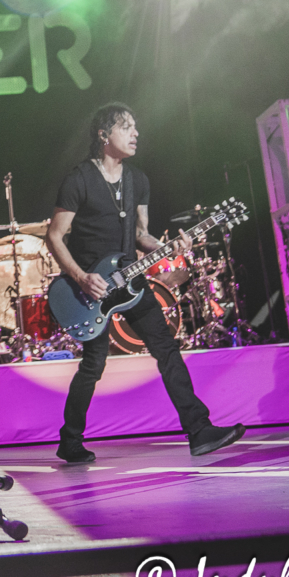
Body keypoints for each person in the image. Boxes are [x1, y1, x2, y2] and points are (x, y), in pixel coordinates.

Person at [46, 103, 245, 463]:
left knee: (166, 348)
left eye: (136, 127)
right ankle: (70, 441)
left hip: (130, 282)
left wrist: (170, 247)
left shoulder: (138, 180)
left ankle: (199, 430)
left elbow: (141, 235)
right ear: (104, 135)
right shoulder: (79, 179)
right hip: (89, 290)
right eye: (126, 127)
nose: (136, 133)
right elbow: (55, 236)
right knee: (94, 365)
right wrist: (80, 276)